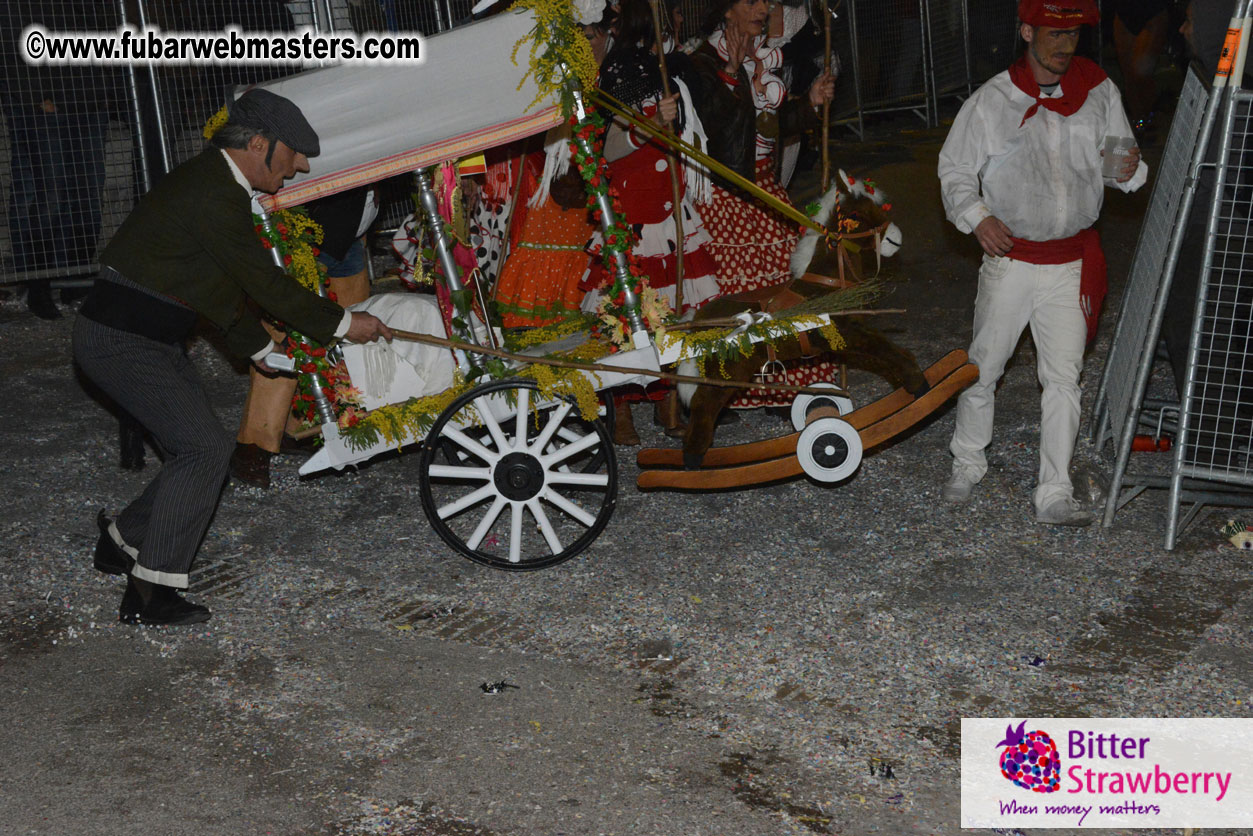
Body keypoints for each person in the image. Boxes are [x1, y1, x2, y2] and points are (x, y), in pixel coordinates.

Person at [73, 89, 393, 626]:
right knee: (201, 449)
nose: (301, 166)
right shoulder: (215, 193)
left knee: (201, 447)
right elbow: (260, 281)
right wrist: (343, 323)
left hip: (144, 335)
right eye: (293, 153)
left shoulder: (215, 184)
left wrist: (262, 348)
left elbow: (215, 286)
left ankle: (122, 538)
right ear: (260, 144)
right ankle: (151, 592)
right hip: (121, 338)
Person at [937, 0, 1147, 526]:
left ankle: (1053, 490)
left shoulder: (1097, 91)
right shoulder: (993, 99)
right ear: (1027, 31)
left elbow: (1120, 163)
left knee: (1063, 378)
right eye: (1053, 34)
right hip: (1013, 259)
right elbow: (955, 170)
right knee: (983, 366)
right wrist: (977, 217)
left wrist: (1127, 169)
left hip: (1071, 259)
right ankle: (967, 460)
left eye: (1072, 34)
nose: (1064, 46)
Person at [682, 0, 837, 410]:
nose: (763, 7)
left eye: (764, 0)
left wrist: (808, 104)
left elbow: (766, 122)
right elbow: (716, 127)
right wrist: (731, 75)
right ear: (725, 10)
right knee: (737, 289)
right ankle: (727, 388)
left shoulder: (758, 55)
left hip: (764, 184)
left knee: (785, 282)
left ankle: (781, 381)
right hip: (724, 191)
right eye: (750, 0)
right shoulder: (699, 61)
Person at [231, 185, 379, 488]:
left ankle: (301, 428)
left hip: (349, 238)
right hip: (310, 235)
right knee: (287, 337)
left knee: (348, 340)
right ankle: (254, 447)